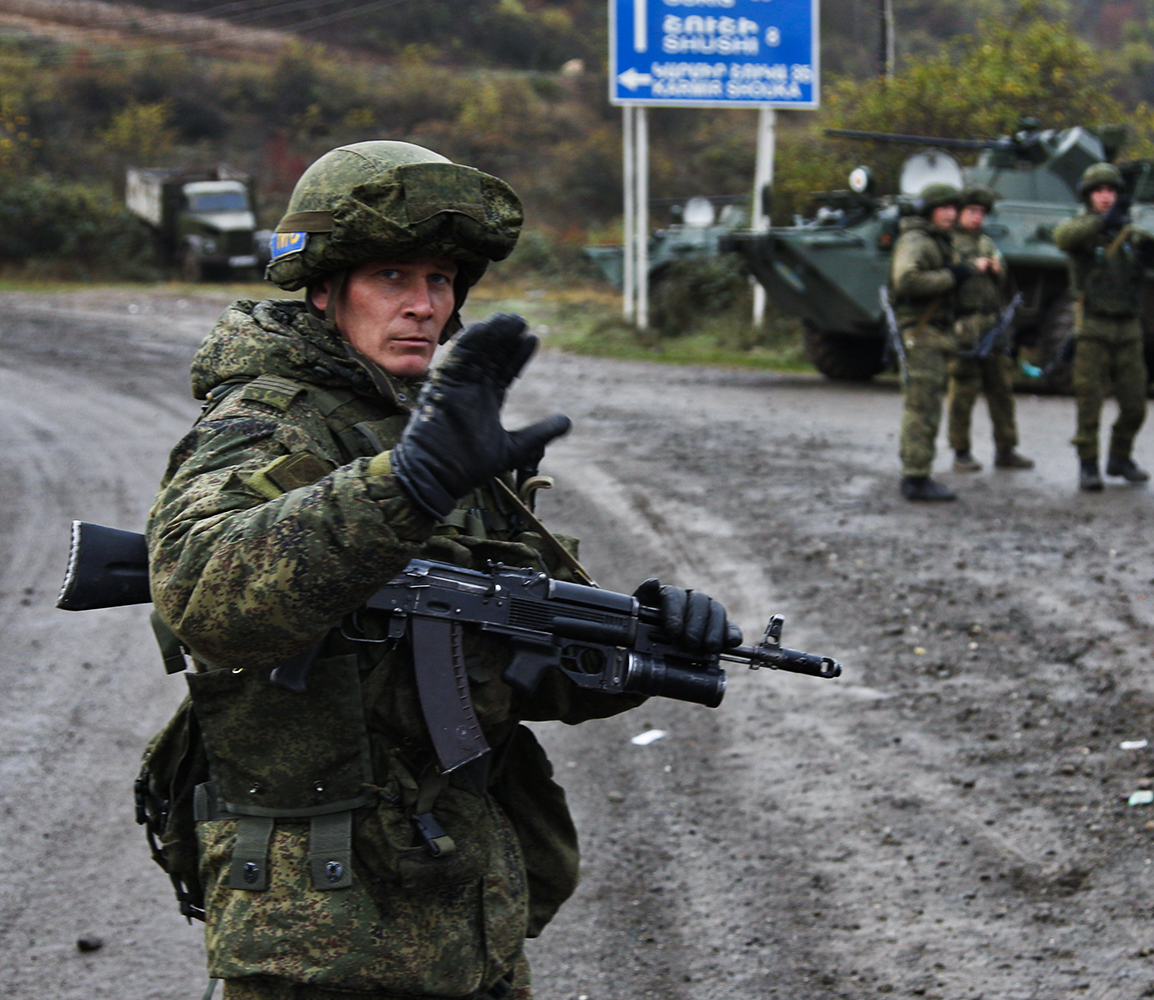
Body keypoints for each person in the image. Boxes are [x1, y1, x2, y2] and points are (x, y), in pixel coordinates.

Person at [145, 140, 740, 999]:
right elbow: (207, 593)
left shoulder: (430, 432)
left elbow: (521, 665)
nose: (423, 305)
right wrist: (408, 486)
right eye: (392, 277)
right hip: (322, 935)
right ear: (325, 288)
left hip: (464, 909)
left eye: (440, 280)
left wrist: (645, 641)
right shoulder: (268, 421)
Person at [1053, 163, 1154, 491]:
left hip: (1128, 329)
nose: (1105, 196)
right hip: (1093, 326)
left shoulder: (1129, 233)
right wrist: (1103, 223)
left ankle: (1120, 457)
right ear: (1089, 196)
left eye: (1111, 191)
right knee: (1089, 403)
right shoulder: (1081, 228)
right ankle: (1088, 465)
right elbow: (1063, 238)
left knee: (1135, 405)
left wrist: (1152, 252)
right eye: (1099, 191)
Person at [889, 182, 982, 501]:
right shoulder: (917, 240)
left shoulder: (940, 242)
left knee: (928, 404)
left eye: (953, 208)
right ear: (929, 211)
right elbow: (906, 279)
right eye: (943, 208)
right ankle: (915, 477)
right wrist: (952, 276)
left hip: (936, 331)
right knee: (922, 406)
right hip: (922, 331)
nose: (950, 214)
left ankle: (918, 472)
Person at [946, 187, 1033, 473]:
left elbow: (1005, 275)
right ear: (960, 212)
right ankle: (961, 451)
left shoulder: (986, 242)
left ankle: (1006, 449)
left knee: (1002, 391)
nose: (977, 218)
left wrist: (997, 268)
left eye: (982, 213)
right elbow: (945, 276)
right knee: (963, 391)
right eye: (972, 211)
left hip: (992, 325)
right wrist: (971, 266)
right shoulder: (950, 243)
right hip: (965, 325)